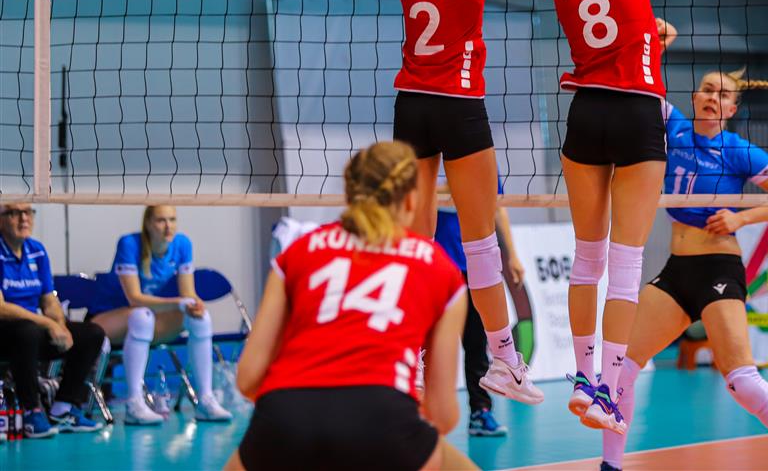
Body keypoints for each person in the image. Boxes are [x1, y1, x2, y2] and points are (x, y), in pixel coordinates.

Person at [386, 0, 584, 406]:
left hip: (410, 105)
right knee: (479, 244)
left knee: (416, 242)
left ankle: (410, 353)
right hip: (457, 107)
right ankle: (503, 361)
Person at [594, 25, 768, 471]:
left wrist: (741, 218)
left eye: (722, 95)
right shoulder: (674, 129)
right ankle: (611, 466)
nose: (711, 98)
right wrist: (654, 47)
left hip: (719, 267)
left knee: (740, 380)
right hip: (676, 271)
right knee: (621, 367)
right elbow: (639, 89)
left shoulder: (739, 151)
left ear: (732, 108)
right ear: (695, 96)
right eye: (706, 89)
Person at [549, 0, 720, 435]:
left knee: (587, 256)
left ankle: (581, 378)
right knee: (626, 261)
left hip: (585, 111)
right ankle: (608, 393)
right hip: (637, 111)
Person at [229, 141, 470, 471]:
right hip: (383, 418)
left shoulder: (298, 252)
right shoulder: (442, 269)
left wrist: (305, 414)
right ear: (412, 199)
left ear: (350, 194)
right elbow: (443, 414)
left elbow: (247, 378)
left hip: (286, 417)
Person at [89, 204, 232, 424]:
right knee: (141, 316)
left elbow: (188, 293)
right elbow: (134, 299)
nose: (168, 226)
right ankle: (134, 404)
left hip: (146, 320)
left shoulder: (182, 244)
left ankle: (205, 400)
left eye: (172, 220)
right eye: (161, 220)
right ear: (148, 224)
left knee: (200, 318)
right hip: (106, 320)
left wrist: (195, 304)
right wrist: (179, 303)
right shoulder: (129, 244)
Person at [0, 202, 105, 437]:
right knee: (27, 331)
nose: (23, 218)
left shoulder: (36, 250)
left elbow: (49, 300)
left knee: (91, 333)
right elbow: (1, 308)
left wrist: (60, 324)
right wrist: (48, 324)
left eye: (28, 212)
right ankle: (31, 411)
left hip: (31, 331)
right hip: (8, 332)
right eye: (14, 213)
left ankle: (63, 408)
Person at [434, 184, 526, 437]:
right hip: (435, 262)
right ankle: (420, 413)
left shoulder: (482, 162)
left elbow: (498, 207)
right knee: (428, 345)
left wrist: (512, 255)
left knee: (476, 343)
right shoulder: (427, 163)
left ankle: (480, 411)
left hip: (471, 265)